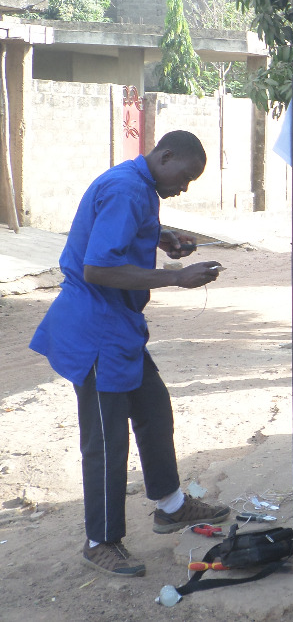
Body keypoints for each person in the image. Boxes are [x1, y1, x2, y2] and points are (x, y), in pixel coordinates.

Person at [29, 131, 229, 578]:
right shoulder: (127, 189)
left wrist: (161, 237)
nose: (184, 187)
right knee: (106, 440)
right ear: (166, 155)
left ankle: (170, 505)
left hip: (119, 327)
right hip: (97, 329)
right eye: (184, 177)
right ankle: (99, 541)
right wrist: (175, 276)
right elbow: (98, 267)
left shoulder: (139, 185)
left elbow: (119, 234)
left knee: (154, 408)